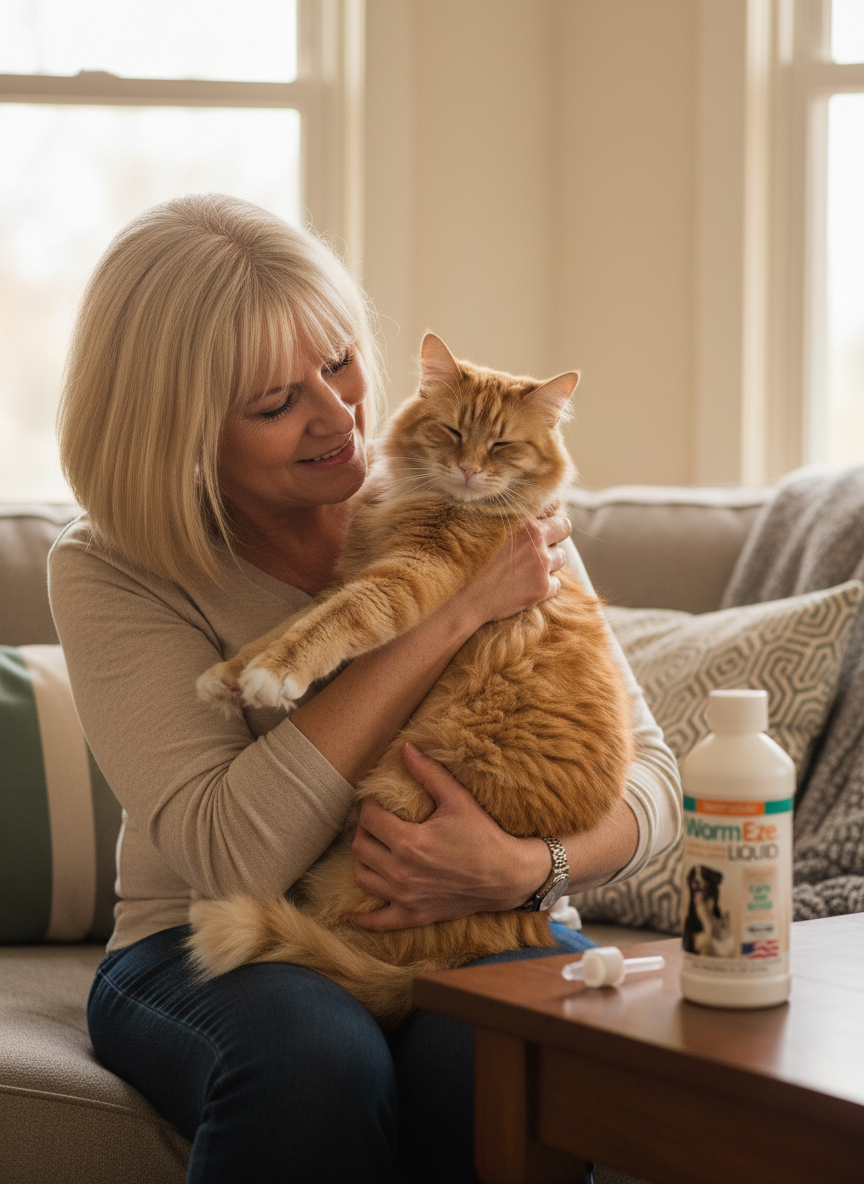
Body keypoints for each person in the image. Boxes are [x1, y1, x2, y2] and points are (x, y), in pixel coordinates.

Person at [49, 193, 681, 1184]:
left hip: (473, 913)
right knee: (316, 1060)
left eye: (339, 360)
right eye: (274, 402)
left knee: (506, 1061)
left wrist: (527, 866)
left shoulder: (474, 481)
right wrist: (449, 616)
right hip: (201, 934)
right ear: (177, 425)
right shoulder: (112, 567)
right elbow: (231, 852)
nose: (339, 414)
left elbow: (656, 779)